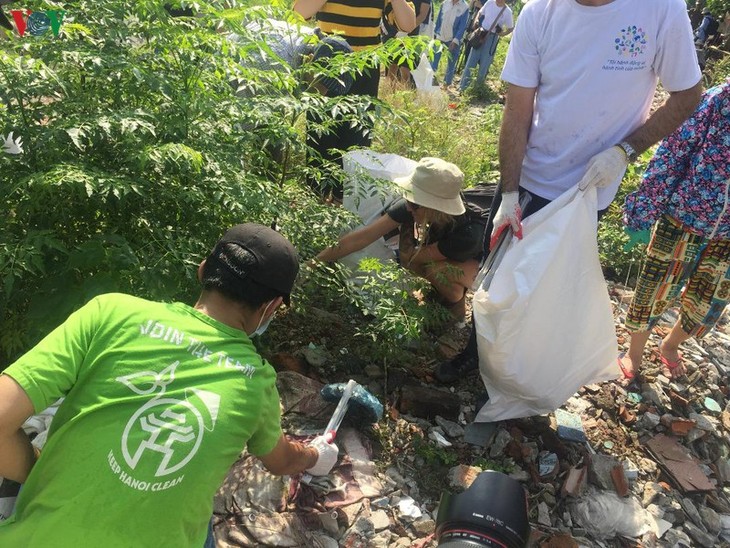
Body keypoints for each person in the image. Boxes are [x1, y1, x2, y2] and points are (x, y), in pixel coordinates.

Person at [0, 223, 339, 546]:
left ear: (203, 270)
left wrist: (38, 469)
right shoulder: (256, 381)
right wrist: (316, 454)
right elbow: (280, 462)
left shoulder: (110, 313)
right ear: (271, 307)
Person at [435, 0, 703, 384]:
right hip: (529, 180)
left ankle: (523, 375)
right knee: (498, 277)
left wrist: (625, 150)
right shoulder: (539, 13)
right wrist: (509, 193)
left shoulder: (660, 9)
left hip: (588, 191)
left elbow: (687, 94)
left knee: (550, 289)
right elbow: (517, 111)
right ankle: (477, 357)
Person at [617, 79, 730, 385]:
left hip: (727, 236)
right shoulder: (720, 99)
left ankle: (670, 344)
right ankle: (635, 352)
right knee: (653, 291)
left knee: (708, 304)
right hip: (683, 218)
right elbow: (673, 153)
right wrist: (643, 211)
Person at [315, 157, 488, 320]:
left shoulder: (469, 235)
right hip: (451, 248)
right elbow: (362, 237)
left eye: (413, 203)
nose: (408, 206)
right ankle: (442, 295)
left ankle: (455, 304)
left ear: (435, 207)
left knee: (435, 270)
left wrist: (405, 232)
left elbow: (411, 259)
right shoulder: (414, 206)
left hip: (487, 263)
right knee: (426, 265)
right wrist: (314, 263)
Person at [293, 0, 416, 199]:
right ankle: (316, 198)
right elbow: (298, 12)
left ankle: (345, 199)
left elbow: (408, 24)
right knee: (320, 135)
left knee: (356, 138)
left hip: (365, 70)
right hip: (328, 66)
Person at [458, 0, 513, 93]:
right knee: (471, 61)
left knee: (484, 64)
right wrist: (476, 21)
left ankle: (477, 90)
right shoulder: (490, 2)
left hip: (492, 38)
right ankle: (463, 88)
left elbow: (510, 28)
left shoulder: (507, 11)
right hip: (481, 34)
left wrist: (502, 34)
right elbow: (480, 12)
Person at [382, 0, 432, 86]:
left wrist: (407, 29)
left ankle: (405, 94)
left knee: (405, 69)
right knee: (392, 66)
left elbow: (423, 15)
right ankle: (389, 93)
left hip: (411, 35)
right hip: (392, 33)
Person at [431, 0, 470, 88]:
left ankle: (447, 83)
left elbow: (462, 26)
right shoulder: (445, 3)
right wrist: (435, 34)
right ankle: (431, 80)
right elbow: (439, 20)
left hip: (453, 39)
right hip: (440, 36)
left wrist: (456, 40)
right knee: (434, 59)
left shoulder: (465, 7)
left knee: (451, 62)